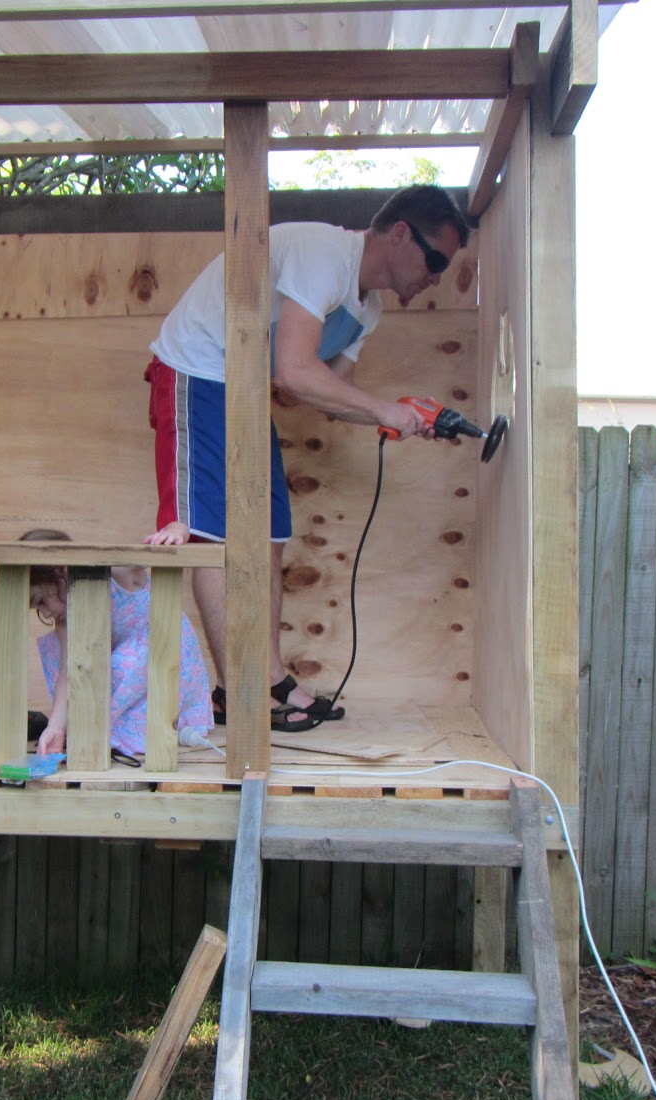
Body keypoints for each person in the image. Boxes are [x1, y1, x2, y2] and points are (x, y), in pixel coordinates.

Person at [144, 184, 471, 732]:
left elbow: (317, 391)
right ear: (398, 234)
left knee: (269, 530)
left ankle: (267, 679)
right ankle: (238, 693)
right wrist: (384, 409)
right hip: (196, 371)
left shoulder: (367, 309)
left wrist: (403, 417)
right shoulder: (325, 256)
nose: (437, 275)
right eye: (436, 259)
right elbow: (295, 371)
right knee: (211, 534)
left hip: (243, 388)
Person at [20, 528, 214, 759]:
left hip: (165, 655)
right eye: (38, 609)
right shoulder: (66, 617)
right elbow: (68, 672)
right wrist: (55, 726)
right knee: (67, 655)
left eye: (41, 600)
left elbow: (153, 552)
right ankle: (104, 727)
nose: (47, 612)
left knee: (117, 662)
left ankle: (134, 728)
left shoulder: (115, 572)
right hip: (130, 670)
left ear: (60, 570)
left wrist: (176, 532)